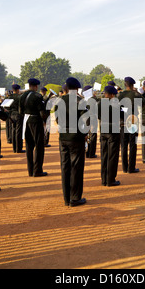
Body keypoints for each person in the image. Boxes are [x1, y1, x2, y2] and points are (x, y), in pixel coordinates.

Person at [54, 77, 88, 207]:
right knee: (76, 168)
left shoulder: (60, 101)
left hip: (63, 137)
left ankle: (66, 198)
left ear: (67, 88)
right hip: (76, 137)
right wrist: (85, 133)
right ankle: (75, 198)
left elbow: (56, 118)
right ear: (77, 88)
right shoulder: (80, 101)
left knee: (65, 167)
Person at [19, 78, 48, 177]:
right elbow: (42, 114)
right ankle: (37, 170)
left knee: (29, 146)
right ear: (36, 86)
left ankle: (30, 170)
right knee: (39, 146)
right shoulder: (38, 96)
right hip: (36, 121)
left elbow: (20, 111)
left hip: (26, 121)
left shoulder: (22, 95)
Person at [98, 86, 122, 187]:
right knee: (112, 156)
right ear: (112, 95)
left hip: (103, 130)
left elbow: (98, 116)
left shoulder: (99, 103)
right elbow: (122, 115)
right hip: (113, 131)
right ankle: (110, 179)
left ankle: (104, 179)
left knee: (104, 155)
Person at [118, 77, 142, 174]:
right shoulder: (136, 94)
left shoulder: (119, 95)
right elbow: (143, 103)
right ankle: (131, 168)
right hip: (133, 121)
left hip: (123, 122)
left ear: (125, 84)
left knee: (123, 146)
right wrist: (138, 93)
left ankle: (124, 167)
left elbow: (117, 108)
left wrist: (125, 110)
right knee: (132, 145)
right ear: (132, 85)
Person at [84, 85, 99, 159]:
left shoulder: (83, 99)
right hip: (92, 118)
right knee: (93, 135)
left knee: (87, 135)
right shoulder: (93, 99)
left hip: (84, 119)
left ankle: (87, 152)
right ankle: (91, 153)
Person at [9, 84, 24, 153]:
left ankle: (14, 148)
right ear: (18, 90)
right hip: (18, 115)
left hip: (11, 115)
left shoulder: (9, 97)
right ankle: (18, 148)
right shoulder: (20, 97)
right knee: (18, 132)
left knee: (13, 131)